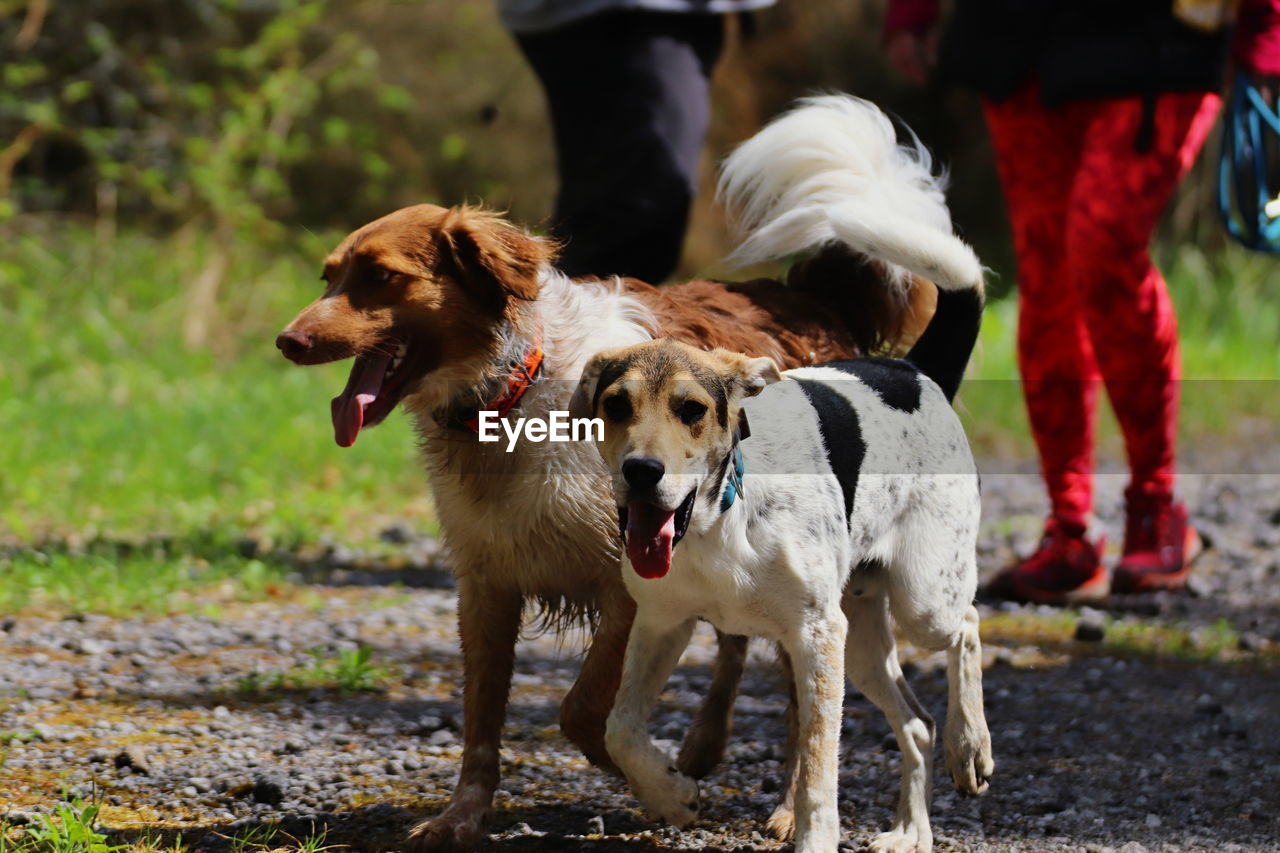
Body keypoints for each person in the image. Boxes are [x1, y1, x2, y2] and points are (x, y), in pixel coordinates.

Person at [884, 0, 1280, 604]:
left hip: (1164, 40)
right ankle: (1070, 532)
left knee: (1104, 249)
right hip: (1024, 41)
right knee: (1046, 279)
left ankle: (1157, 506)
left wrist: (1266, 29)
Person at [498, 0, 775, 284]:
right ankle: (556, 319)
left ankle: (559, 312)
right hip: (620, 15)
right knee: (641, 203)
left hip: (685, 14)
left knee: (635, 210)